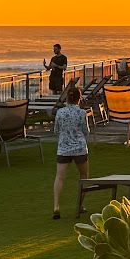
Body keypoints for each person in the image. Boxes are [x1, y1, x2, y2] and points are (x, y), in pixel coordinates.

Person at [51, 84, 88, 220]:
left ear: (67, 99)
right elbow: (86, 131)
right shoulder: (82, 113)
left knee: (59, 177)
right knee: (84, 175)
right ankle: (80, 205)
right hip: (79, 148)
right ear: (79, 99)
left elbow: (56, 130)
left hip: (63, 148)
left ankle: (56, 206)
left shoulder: (60, 112)